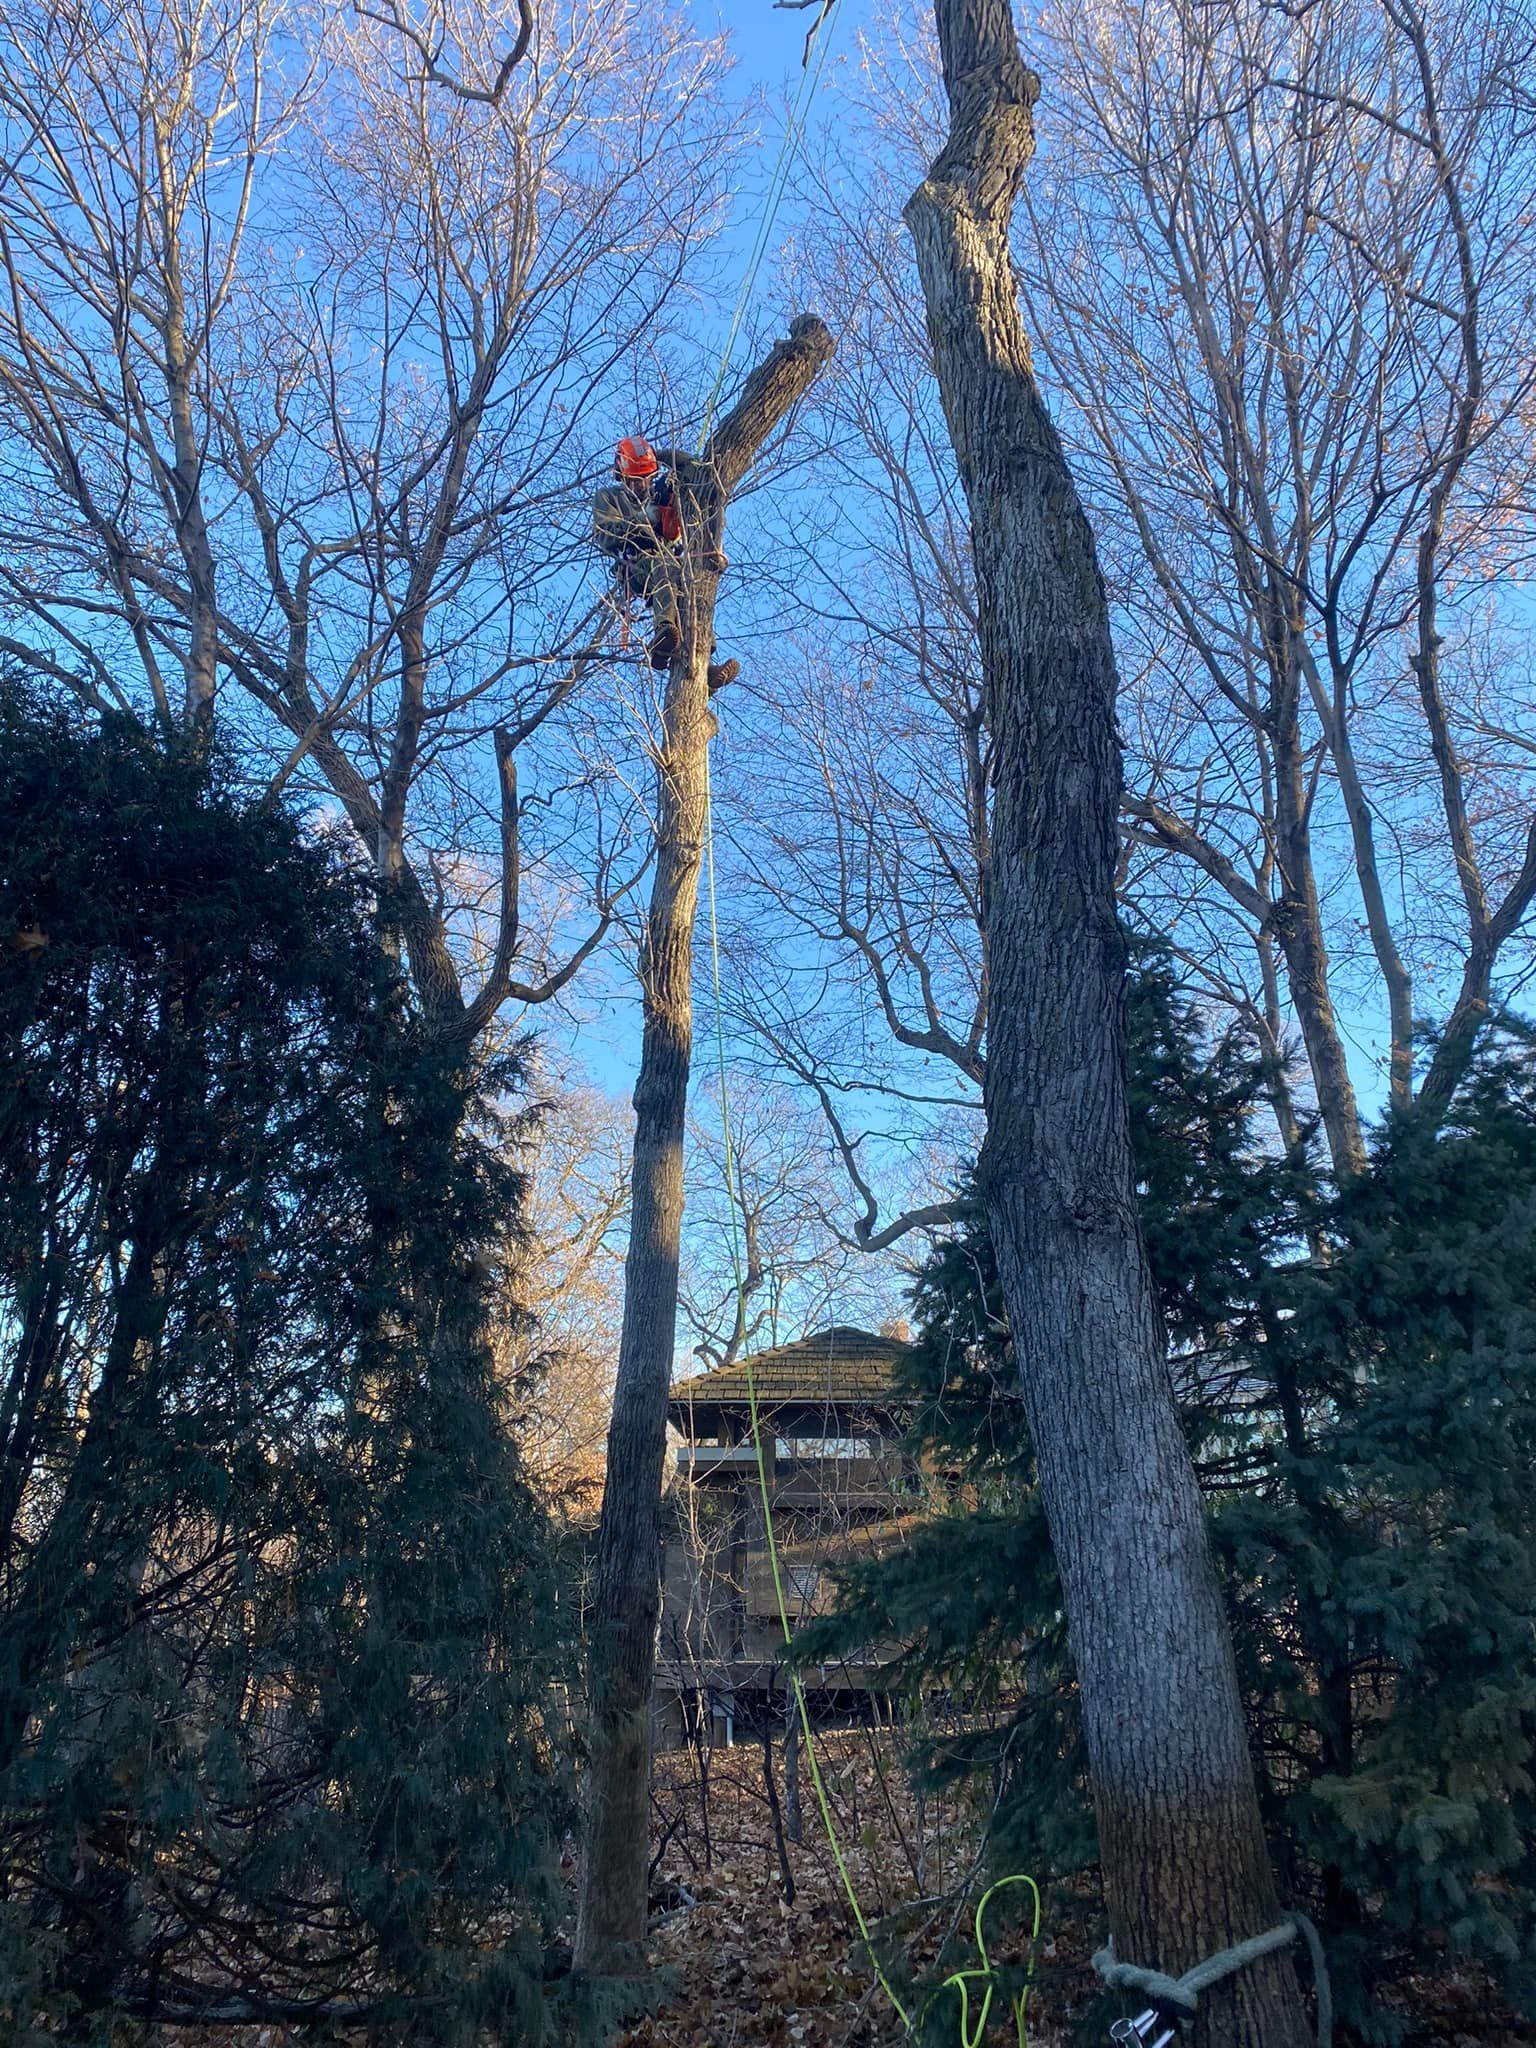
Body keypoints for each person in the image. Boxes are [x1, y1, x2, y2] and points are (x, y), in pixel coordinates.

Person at [592, 437, 736, 685]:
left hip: (671, 563)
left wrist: (657, 455)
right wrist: (646, 525)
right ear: (621, 476)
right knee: (665, 567)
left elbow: (697, 471)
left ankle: (704, 665)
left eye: (646, 478)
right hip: (635, 564)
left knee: (692, 585)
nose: (641, 486)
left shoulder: (660, 492)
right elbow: (605, 533)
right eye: (635, 481)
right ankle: (664, 636)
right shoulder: (609, 498)